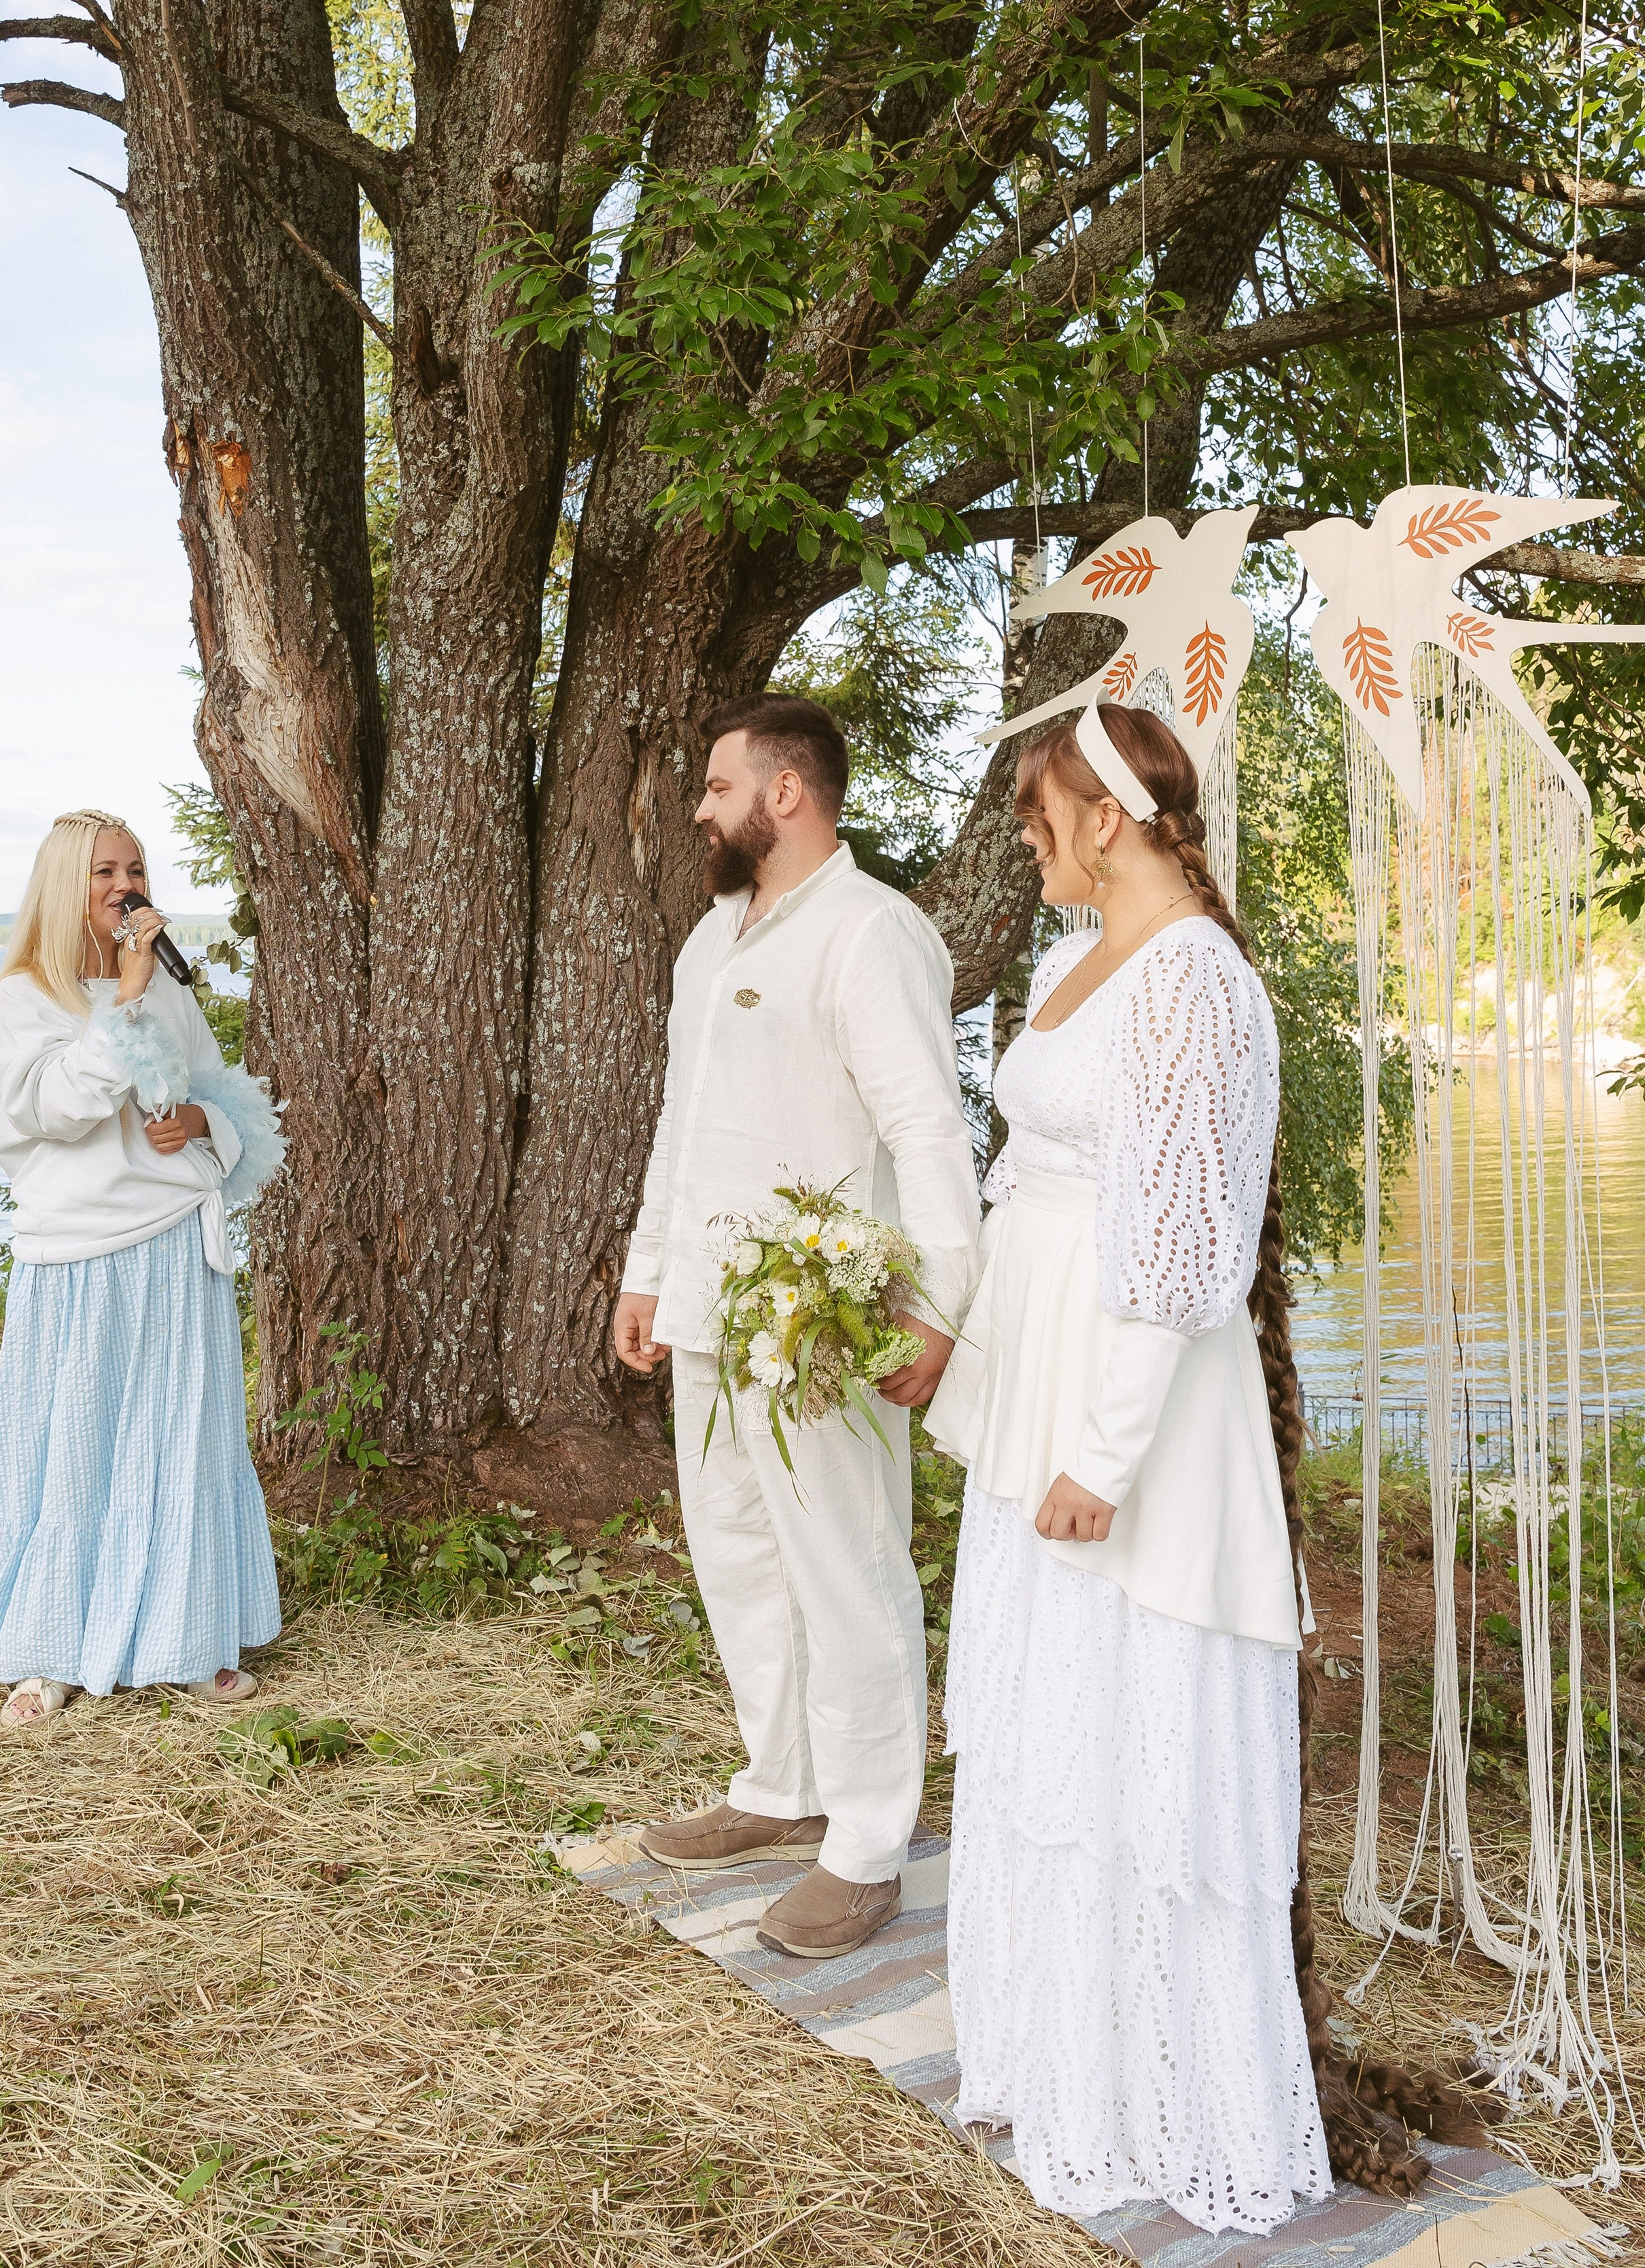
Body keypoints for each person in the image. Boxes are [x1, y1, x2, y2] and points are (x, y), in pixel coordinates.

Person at [926, 698, 1468, 2231]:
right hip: (1037, 1382)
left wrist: (1100, 1454)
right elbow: (1025, 1177)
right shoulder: (1069, 963)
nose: (1025, 838)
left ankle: (1167, 2095)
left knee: (1134, 1729)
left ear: (1103, 817)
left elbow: (1179, 1250)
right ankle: (1060, 2054)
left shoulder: (1196, 986)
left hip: (1134, 1414)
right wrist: (957, 1342)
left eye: (1037, 814)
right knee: (1049, 1726)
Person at [614, 695, 982, 1959]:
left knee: (848, 1563)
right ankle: (783, 1785)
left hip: (822, 1314)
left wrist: (936, 1306)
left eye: (719, 787)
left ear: (786, 793)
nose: (700, 809)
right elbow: (683, 1122)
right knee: (736, 1550)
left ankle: (868, 1842)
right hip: (712, 1309)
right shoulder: (711, 941)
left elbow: (927, 1129)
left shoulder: (873, 932)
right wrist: (649, 1271)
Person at [0, 809, 285, 1726]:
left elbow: (226, 1099)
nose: (125, 885)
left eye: (135, 868)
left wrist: (202, 1122)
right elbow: (56, 1110)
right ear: (69, 884)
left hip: (176, 1244)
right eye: (105, 871)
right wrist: (129, 994)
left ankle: (187, 1639)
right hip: (80, 1257)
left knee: (181, 1440)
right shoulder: (27, 995)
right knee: (77, 1446)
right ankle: (50, 1653)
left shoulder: (169, 988)